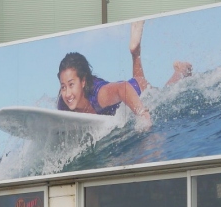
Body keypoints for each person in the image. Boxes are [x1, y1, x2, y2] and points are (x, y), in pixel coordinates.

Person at [56, 21, 193, 129]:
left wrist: (143, 115)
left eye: (71, 85)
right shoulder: (64, 104)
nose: (67, 93)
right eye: (63, 87)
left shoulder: (98, 95)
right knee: (140, 80)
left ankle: (182, 70)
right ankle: (135, 52)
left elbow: (124, 88)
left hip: (136, 89)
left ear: (83, 82)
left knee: (167, 93)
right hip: (129, 93)